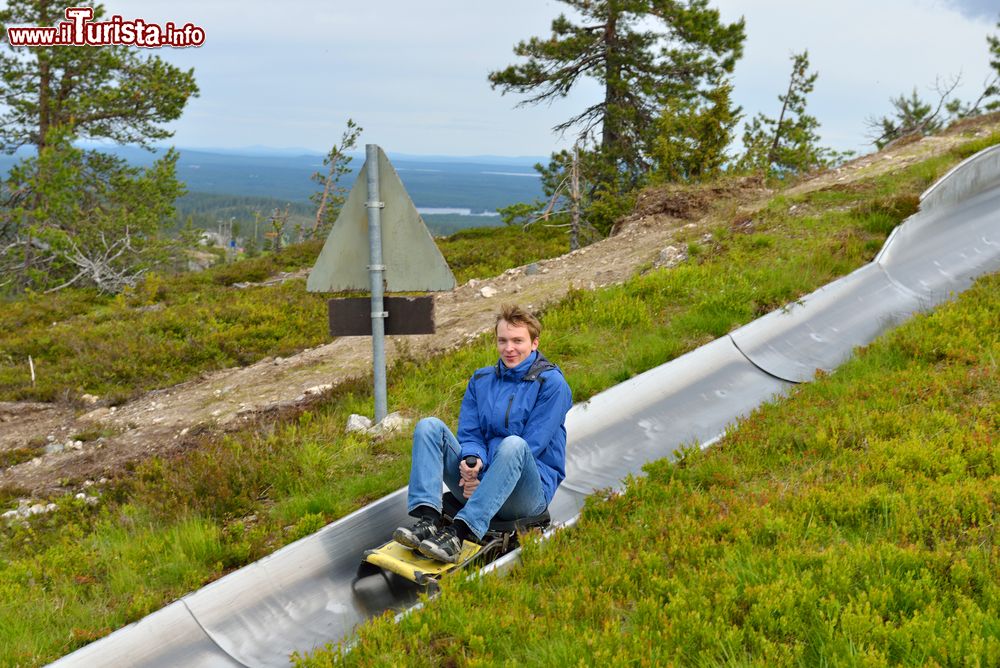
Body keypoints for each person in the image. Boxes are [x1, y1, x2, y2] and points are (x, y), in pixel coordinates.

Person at [393, 303, 573, 563]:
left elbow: (531, 447)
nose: (509, 348)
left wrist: (483, 479)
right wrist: (471, 462)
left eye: (517, 341)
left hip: (525, 495)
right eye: (502, 340)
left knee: (514, 444)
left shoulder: (553, 385)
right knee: (429, 426)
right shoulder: (482, 380)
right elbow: (470, 433)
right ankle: (428, 520)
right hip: (476, 485)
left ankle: (459, 532)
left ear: (534, 343)